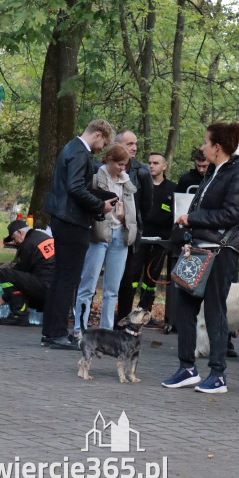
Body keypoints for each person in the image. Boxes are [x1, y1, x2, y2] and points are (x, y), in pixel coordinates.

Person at [162, 121, 239, 395]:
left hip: (221, 251)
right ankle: (187, 368)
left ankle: (218, 374)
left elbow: (232, 214)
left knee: (215, 310)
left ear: (217, 147)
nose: (201, 147)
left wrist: (193, 218)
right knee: (184, 306)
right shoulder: (214, 172)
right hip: (198, 248)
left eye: (205, 142)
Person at [42, 119, 116, 349]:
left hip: (62, 218)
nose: (102, 148)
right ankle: (58, 334)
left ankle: (50, 332)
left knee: (60, 277)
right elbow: (75, 187)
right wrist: (99, 206)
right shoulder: (81, 153)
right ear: (97, 134)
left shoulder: (70, 148)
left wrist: (97, 197)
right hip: (72, 221)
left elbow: (73, 186)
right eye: (103, 143)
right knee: (68, 279)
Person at [74, 143, 137, 335]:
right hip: (99, 234)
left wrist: (125, 216)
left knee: (112, 289)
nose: (122, 168)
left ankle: (106, 331)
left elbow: (133, 212)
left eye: (125, 165)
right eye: (119, 164)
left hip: (120, 236)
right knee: (88, 285)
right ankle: (80, 329)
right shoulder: (94, 180)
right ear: (108, 160)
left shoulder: (126, 183)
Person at [126, 152, 177, 320]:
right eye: (149, 162)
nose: (151, 166)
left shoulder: (172, 189)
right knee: (133, 275)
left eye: (156, 163)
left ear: (164, 166)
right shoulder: (140, 185)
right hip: (140, 238)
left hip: (161, 241)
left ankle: (145, 311)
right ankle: (126, 310)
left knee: (151, 278)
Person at [114, 130, 154, 322]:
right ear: (117, 144)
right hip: (104, 230)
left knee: (127, 280)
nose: (135, 147)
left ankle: (122, 322)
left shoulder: (143, 172)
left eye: (135, 143)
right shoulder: (101, 167)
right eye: (129, 144)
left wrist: (133, 223)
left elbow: (147, 206)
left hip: (129, 233)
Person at [0, 220, 55, 326]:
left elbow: (19, 271)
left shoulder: (28, 244)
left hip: (44, 289)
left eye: (14, 239)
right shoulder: (44, 237)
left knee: (6, 274)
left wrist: (4, 298)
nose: (15, 243)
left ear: (20, 232)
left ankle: (19, 315)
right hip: (58, 291)